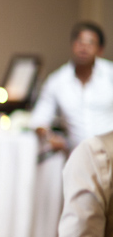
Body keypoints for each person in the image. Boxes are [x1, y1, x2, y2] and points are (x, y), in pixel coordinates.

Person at [30, 21, 113, 152]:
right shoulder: (57, 80)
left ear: (100, 50)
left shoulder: (110, 74)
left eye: (90, 43)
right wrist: (48, 137)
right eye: (80, 42)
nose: (84, 48)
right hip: (77, 158)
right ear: (72, 45)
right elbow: (39, 119)